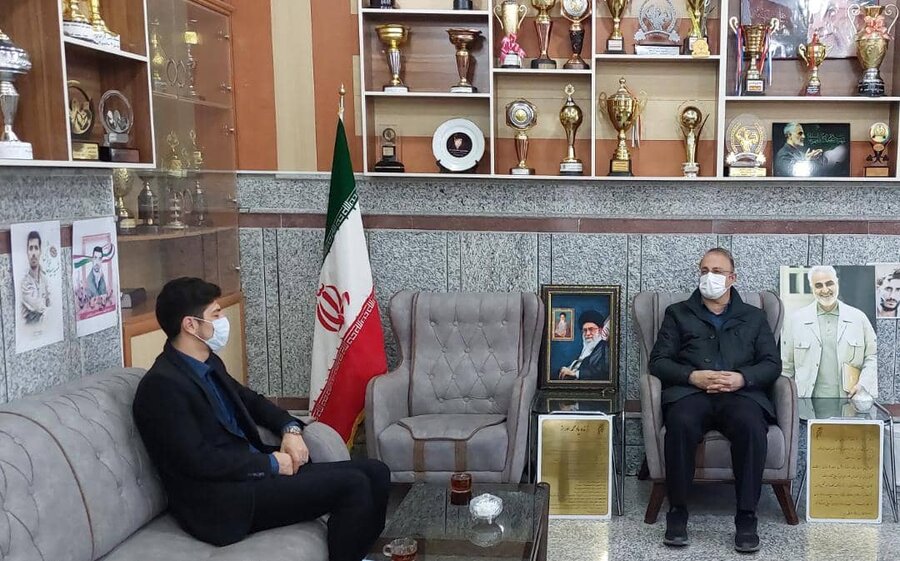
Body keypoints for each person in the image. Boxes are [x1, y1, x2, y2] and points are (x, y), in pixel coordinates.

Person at [133, 277, 390, 560]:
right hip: (224, 500)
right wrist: (269, 464)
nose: (223, 322)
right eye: (215, 315)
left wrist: (290, 429)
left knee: (377, 472)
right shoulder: (162, 387)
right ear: (190, 325)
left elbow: (251, 401)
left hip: (253, 475)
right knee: (353, 486)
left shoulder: (208, 362)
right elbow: (198, 460)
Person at [649, 248, 780, 553]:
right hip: (692, 394)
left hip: (739, 395)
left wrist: (742, 378)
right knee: (680, 424)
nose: (709, 277)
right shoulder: (678, 313)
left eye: (717, 272)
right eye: (704, 270)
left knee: (751, 426)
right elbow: (658, 362)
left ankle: (747, 518)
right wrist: (692, 376)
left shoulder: (754, 317)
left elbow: (772, 364)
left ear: (732, 278)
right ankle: (677, 514)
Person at [781, 265, 877, 400]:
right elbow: (786, 368)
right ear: (812, 288)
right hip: (807, 401)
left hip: (850, 399)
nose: (825, 290)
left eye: (829, 283)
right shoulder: (795, 321)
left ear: (837, 283)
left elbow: (873, 356)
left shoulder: (858, 318)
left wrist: (863, 384)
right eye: (818, 285)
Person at [558, 310, 609, 381]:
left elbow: (603, 372)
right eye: (585, 330)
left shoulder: (604, 347)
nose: (587, 334)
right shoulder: (585, 349)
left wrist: (576, 374)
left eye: (591, 329)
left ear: (600, 330)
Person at [20, 230, 51, 325]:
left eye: (36, 248)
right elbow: (39, 307)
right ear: (27, 252)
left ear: (40, 251)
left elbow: (50, 301)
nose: (33, 253)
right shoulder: (23, 282)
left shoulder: (44, 278)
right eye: (31, 248)